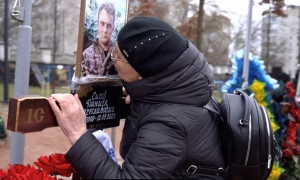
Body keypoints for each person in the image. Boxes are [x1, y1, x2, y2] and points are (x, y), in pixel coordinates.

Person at [49, 16, 225, 179]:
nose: (111, 57)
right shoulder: (183, 93)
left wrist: (77, 134)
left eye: (118, 55)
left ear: (142, 73)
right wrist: (142, 99)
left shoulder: (170, 123)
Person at [81, 2, 117, 77]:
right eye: (102, 24)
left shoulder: (118, 55)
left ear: (113, 27)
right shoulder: (86, 54)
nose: (105, 30)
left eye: (109, 25)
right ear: (97, 25)